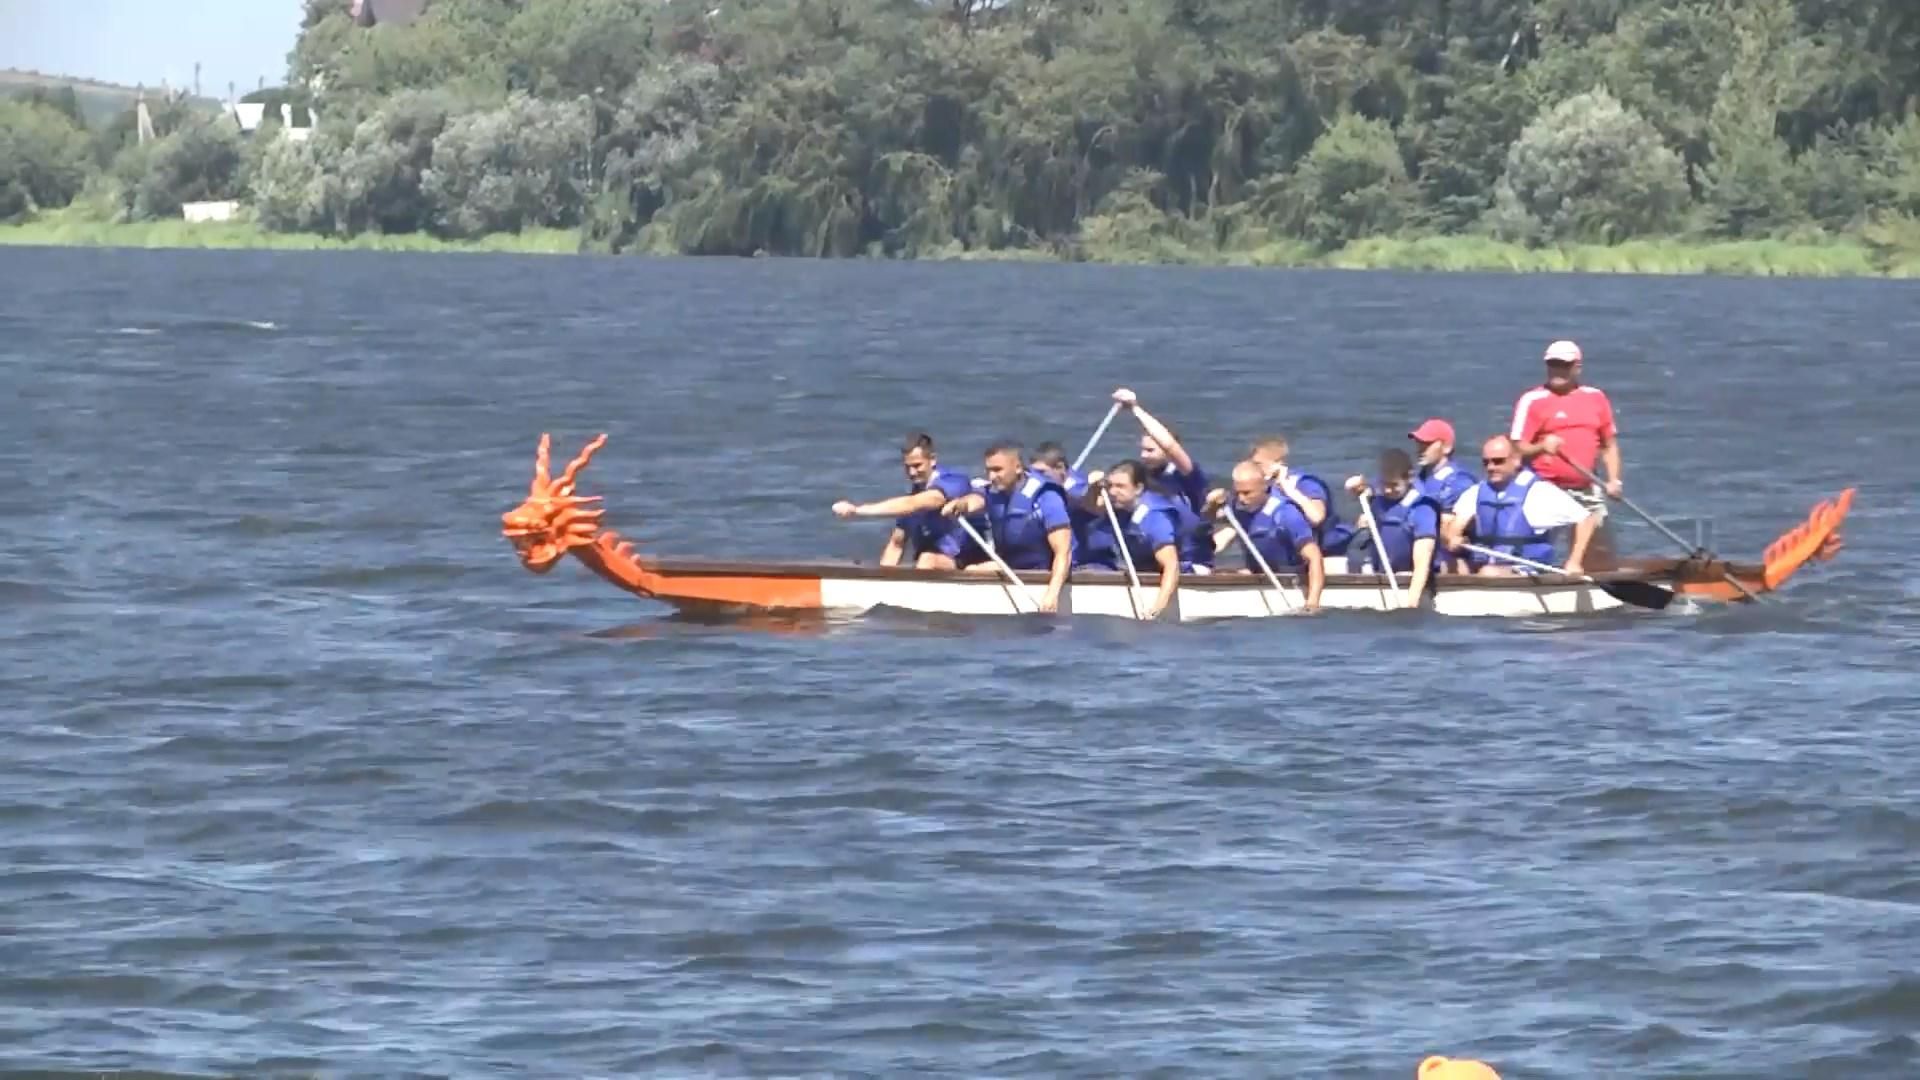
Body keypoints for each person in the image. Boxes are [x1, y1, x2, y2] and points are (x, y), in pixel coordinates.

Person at [1510, 339, 1623, 567]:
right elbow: (1516, 449)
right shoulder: (1532, 400)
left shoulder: (1595, 397)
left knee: (1599, 553)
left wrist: (1613, 480)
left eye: (1563, 364)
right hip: (1546, 488)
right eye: (1552, 364)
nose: (1556, 370)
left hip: (1587, 486)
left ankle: (1598, 586)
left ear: (1577, 367)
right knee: (1539, 551)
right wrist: (1542, 447)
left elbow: (1609, 445)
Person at [940, 442, 1075, 612]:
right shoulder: (993, 491)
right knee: (971, 571)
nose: (992, 476)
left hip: (1042, 571)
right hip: (1011, 566)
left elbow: (1063, 551)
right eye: (988, 470)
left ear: (1018, 468)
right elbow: (976, 500)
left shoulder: (1047, 497)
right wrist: (960, 504)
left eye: (997, 470)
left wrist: (1052, 594)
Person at [1444, 435, 1597, 576]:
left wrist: (1574, 562)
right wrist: (1454, 538)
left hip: (1526, 567)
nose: (1491, 467)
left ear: (1516, 460)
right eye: (1486, 462)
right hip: (1484, 564)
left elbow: (1586, 519)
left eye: (1498, 461)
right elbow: (1455, 527)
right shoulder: (1476, 492)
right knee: (1447, 567)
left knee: (1488, 572)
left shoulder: (1539, 492)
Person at [831, 432, 982, 569]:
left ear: (933, 460)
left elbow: (918, 503)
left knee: (927, 559)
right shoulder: (913, 495)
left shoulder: (953, 481)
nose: (912, 472)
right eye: (907, 467)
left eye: (917, 466)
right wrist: (883, 579)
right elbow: (897, 544)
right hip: (932, 563)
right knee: (913, 554)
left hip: (966, 561)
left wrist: (857, 510)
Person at [1213, 459, 1324, 611]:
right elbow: (1208, 518)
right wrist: (1212, 504)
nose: (1241, 499)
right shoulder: (1236, 506)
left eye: (1247, 493)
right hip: (1259, 572)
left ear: (1264, 487)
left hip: (1288, 578)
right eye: (1237, 493)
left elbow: (1314, 557)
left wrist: (1312, 603)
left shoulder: (1286, 514)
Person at [1344, 448, 1441, 610]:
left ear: (1409, 478)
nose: (1388, 490)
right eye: (1385, 485)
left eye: (1394, 485)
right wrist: (1355, 487)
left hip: (1407, 576)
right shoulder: (1379, 493)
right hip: (1380, 570)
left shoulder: (1422, 509)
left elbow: (1422, 562)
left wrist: (1411, 603)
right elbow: (1357, 489)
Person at [1092, 459, 1182, 619]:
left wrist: (1157, 608)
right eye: (1110, 486)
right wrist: (1094, 488)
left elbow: (1171, 565)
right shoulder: (1119, 507)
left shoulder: (1154, 517)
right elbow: (1089, 507)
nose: (1112, 492)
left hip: (1177, 568)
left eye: (1120, 486)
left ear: (1138, 488)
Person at [1245, 433, 1354, 554]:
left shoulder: (1306, 484)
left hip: (1325, 552)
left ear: (1278, 464)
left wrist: (1290, 491)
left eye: (1258, 465)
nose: (1253, 470)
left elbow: (1316, 517)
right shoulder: (1261, 490)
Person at [1110, 387, 1210, 515]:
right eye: (1142, 449)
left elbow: (1169, 446)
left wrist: (1135, 408)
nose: (1143, 455)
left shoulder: (1187, 474)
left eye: (1150, 450)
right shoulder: (1142, 476)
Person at [1408, 418, 1478, 572]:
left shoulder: (1460, 482)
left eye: (1427, 444)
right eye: (1419, 443)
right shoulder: (1417, 478)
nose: (1420, 449)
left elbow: (1446, 527)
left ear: (1446, 447)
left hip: (1445, 559)